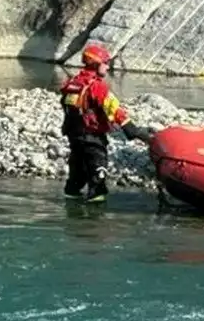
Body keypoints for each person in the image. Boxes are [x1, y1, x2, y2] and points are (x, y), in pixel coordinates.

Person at [59, 43, 153, 203]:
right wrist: (132, 130)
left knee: (77, 170)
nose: (108, 67)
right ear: (96, 64)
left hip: (74, 136)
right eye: (105, 63)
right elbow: (114, 108)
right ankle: (95, 214)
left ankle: (72, 196)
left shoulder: (74, 82)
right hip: (92, 137)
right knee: (98, 172)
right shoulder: (96, 86)